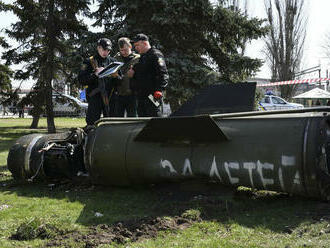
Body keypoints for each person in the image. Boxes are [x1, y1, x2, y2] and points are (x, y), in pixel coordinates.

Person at [78, 38, 117, 125]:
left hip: (110, 98)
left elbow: (119, 82)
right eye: (104, 49)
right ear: (98, 48)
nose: (106, 52)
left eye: (108, 50)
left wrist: (116, 76)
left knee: (111, 123)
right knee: (92, 123)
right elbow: (81, 80)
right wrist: (95, 75)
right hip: (95, 98)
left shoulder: (113, 62)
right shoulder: (89, 62)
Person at [128, 33, 169, 117]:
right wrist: (132, 74)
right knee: (142, 120)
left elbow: (163, 74)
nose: (136, 48)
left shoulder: (155, 54)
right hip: (142, 95)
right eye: (135, 46)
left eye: (137, 45)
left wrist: (159, 89)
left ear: (145, 43)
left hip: (152, 95)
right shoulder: (143, 57)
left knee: (154, 117)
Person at [114, 37, 140, 117]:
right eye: (121, 50)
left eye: (126, 50)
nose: (124, 52)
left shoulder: (138, 59)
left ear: (130, 47)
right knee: (118, 118)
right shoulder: (115, 59)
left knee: (132, 117)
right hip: (119, 94)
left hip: (133, 94)